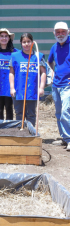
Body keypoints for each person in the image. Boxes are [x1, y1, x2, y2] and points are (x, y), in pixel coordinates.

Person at [9, 33, 46, 127]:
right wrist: (12, 88)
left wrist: (41, 87)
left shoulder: (39, 56)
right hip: (19, 90)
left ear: (32, 42)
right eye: (24, 42)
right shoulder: (14, 56)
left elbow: (43, 73)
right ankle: (19, 134)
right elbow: (11, 73)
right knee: (19, 113)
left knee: (31, 114)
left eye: (28, 41)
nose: (26, 44)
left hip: (32, 91)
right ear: (21, 43)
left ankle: (31, 133)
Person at [48, 22, 70, 150]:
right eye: (58, 32)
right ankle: (64, 137)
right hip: (56, 85)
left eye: (63, 32)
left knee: (65, 112)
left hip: (67, 85)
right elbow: (50, 61)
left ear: (68, 32)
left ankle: (69, 138)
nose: (60, 34)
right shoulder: (54, 47)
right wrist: (53, 71)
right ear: (54, 33)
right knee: (58, 113)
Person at [0, 28, 19, 120]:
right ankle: (0, 129)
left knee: (9, 107)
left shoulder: (15, 52)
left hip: (9, 85)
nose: (4, 38)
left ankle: (9, 129)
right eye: (2, 36)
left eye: (6, 36)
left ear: (9, 38)